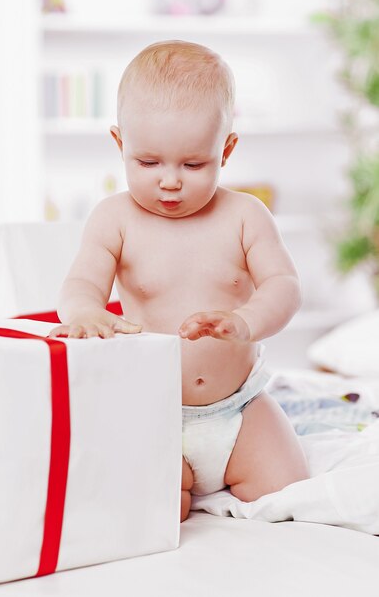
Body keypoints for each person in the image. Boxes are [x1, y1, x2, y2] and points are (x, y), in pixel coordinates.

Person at [50, 40, 310, 522]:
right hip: (155, 410)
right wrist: (86, 313)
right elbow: (81, 284)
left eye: (193, 164)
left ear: (226, 149)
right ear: (119, 143)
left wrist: (245, 320)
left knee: (291, 496)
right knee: (154, 512)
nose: (170, 181)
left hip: (241, 410)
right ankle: (183, 485)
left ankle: (234, 478)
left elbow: (285, 285)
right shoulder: (115, 219)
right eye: (148, 163)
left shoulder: (245, 215)